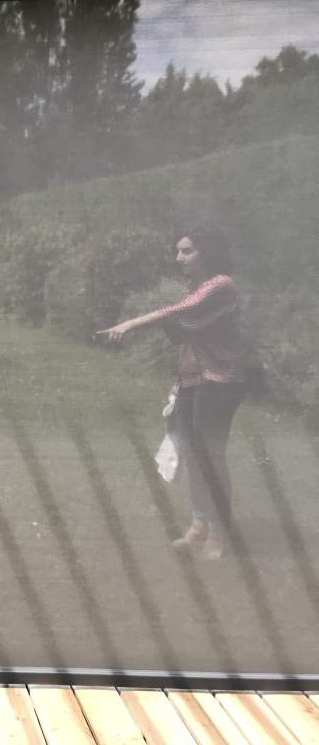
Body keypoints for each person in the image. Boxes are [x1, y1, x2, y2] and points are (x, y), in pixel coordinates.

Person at [98, 225, 248, 560]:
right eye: (178, 251)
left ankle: (220, 533)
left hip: (220, 381)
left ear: (207, 251)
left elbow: (178, 315)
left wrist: (130, 324)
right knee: (191, 452)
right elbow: (184, 333)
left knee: (210, 455)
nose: (178, 258)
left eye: (186, 251)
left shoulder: (221, 286)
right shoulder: (195, 287)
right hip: (193, 380)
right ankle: (200, 523)